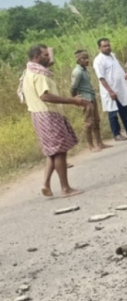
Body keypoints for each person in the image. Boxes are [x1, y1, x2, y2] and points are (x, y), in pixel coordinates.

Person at [23, 45, 88, 198]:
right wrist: (72, 101)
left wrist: (48, 51)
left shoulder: (30, 71)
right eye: (45, 55)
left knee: (52, 152)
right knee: (59, 152)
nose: (49, 58)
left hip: (38, 114)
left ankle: (45, 184)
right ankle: (65, 188)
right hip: (48, 115)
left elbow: (49, 61)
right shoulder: (40, 76)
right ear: (37, 57)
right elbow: (45, 96)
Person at [93, 38, 127, 141]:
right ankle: (116, 134)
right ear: (99, 48)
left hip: (120, 88)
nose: (107, 47)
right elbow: (101, 77)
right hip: (110, 90)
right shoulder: (99, 60)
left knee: (125, 109)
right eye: (104, 46)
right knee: (113, 113)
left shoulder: (112, 56)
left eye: (108, 45)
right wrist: (110, 91)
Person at [71, 50, 110, 152]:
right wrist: (75, 100)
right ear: (78, 60)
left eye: (87, 58)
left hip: (91, 97)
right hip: (85, 99)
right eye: (84, 58)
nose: (87, 60)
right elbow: (73, 87)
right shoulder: (77, 72)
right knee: (88, 123)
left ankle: (99, 143)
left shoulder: (86, 70)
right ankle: (90, 145)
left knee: (96, 121)